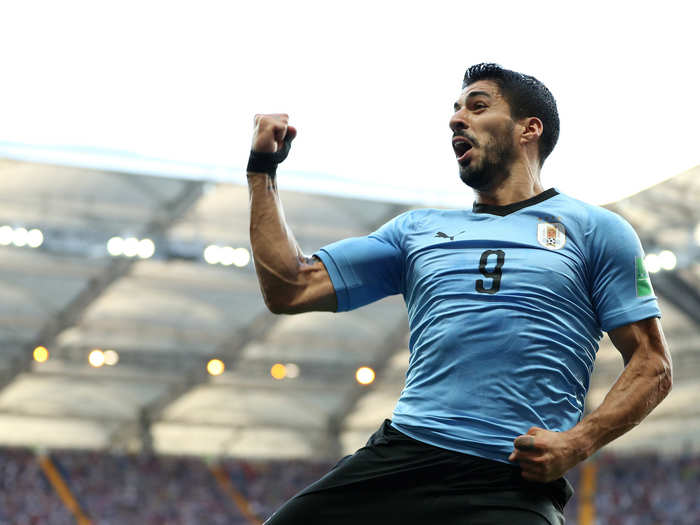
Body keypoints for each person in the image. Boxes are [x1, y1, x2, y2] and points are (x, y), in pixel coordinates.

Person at [246, 63, 673, 525]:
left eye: (477, 105)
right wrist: (262, 168)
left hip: (508, 478)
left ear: (529, 129)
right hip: (403, 457)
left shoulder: (597, 231)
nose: (456, 118)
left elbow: (653, 363)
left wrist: (578, 442)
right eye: (455, 109)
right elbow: (289, 288)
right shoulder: (417, 231)